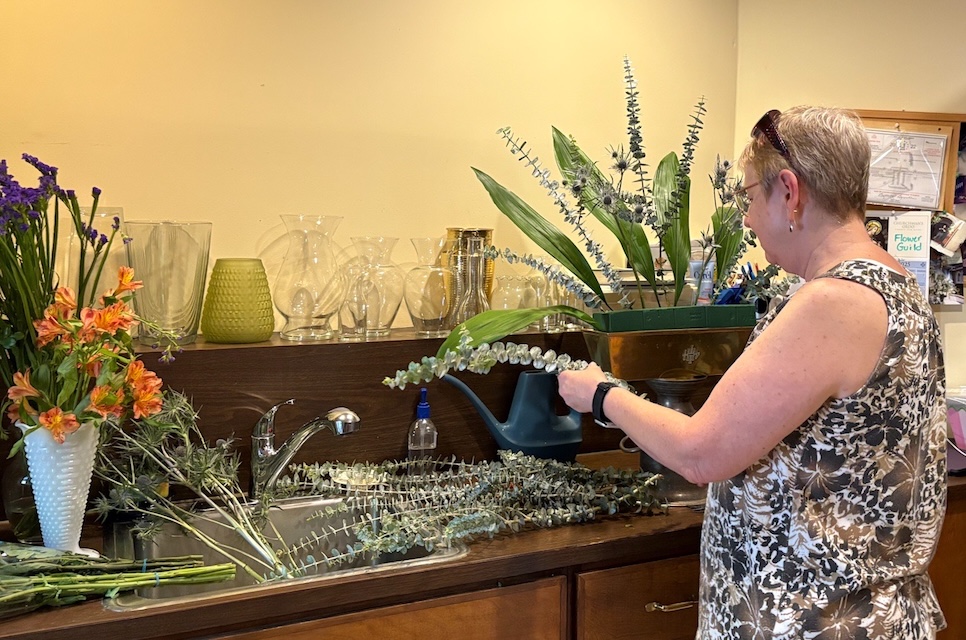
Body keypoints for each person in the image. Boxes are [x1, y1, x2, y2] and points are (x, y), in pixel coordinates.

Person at [557, 106, 947, 638]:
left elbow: (700, 453)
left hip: (812, 622)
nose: (745, 219)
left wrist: (603, 395)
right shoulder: (895, 284)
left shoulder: (833, 302)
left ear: (789, 192)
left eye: (748, 197)